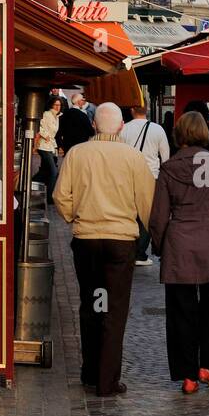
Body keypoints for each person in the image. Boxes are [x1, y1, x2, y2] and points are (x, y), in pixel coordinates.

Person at [54, 102, 155, 397]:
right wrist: (154, 235)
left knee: (92, 304)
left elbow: (61, 196)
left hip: (87, 241)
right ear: (122, 126)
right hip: (120, 243)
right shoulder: (133, 158)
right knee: (114, 310)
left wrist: (75, 215)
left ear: (94, 125)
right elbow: (147, 203)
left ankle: (89, 371)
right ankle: (106, 380)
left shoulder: (77, 154)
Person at [148, 109, 209, 395]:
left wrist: (160, 246)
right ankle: (206, 363)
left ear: (179, 135)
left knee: (181, 313)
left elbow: (159, 216)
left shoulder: (169, 168)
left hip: (181, 245)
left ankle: (188, 374)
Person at [120, 105, 171, 265]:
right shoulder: (158, 129)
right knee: (148, 215)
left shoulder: (124, 129)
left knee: (130, 213)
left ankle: (129, 249)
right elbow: (166, 156)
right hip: (151, 177)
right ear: (147, 110)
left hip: (128, 177)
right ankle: (140, 253)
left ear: (132, 111)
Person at [35, 96, 62, 203]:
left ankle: (26, 184)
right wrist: (45, 135)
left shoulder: (57, 116)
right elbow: (39, 126)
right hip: (44, 146)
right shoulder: (47, 114)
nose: (57, 107)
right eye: (55, 104)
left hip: (51, 146)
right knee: (53, 172)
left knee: (44, 172)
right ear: (51, 105)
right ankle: (50, 198)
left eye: (59, 105)